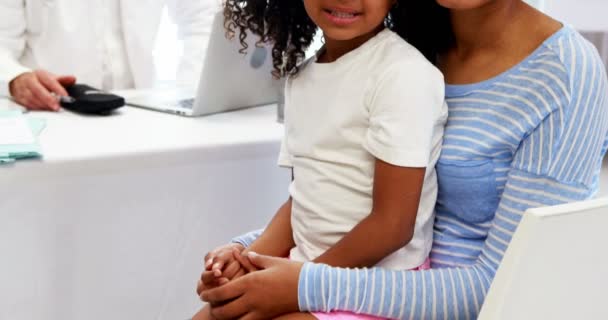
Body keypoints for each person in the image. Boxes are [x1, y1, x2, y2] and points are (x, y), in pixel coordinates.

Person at [197, 0, 608, 319]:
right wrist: (251, 253)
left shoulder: (565, 74)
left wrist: (306, 284)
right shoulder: (406, 38)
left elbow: (509, 287)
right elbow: (338, 192)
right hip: (350, 283)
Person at [193, 0, 449, 319]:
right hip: (309, 271)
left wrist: (299, 286)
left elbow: (393, 226)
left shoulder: (404, 75)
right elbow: (304, 199)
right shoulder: (301, 78)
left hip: (376, 289)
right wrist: (247, 261)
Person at [0, 0, 218, 111]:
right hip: (52, 114)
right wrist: (14, 78)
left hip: (137, 114)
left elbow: (204, 19)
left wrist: (193, 97)